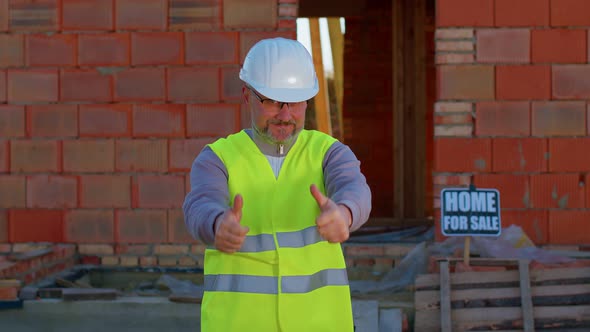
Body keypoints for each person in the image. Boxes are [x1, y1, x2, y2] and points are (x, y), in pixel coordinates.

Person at [183, 37, 371, 332]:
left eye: (295, 102)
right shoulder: (218, 158)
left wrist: (346, 213)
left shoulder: (328, 153)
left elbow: (355, 189)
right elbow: (200, 203)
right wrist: (217, 223)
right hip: (238, 325)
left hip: (320, 324)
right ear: (247, 95)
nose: (285, 115)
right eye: (271, 101)